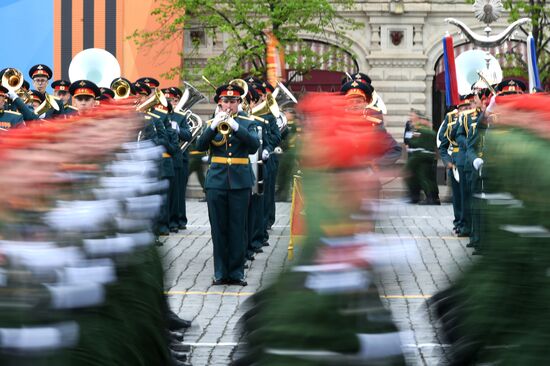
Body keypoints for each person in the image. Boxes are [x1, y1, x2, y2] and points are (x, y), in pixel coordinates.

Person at [195, 84, 260, 286]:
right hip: (216, 181)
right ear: (219, 103)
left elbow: (253, 145)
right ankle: (220, 272)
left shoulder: (248, 122)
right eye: (225, 101)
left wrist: (235, 126)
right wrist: (215, 125)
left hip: (240, 181)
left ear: (239, 103)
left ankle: (237, 272)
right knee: (219, 228)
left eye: (233, 101)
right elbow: (199, 146)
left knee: (238, 228)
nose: (229, 104)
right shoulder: (211, 123)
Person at [404, 109, 440, 204]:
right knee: (429, 178)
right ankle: (433, 198)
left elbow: (413, 142)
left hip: (419, 156)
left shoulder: (419, 130)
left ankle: (426, 198)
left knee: (421, 177)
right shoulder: (431, 132)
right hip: (429, 156)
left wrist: (411, 138)